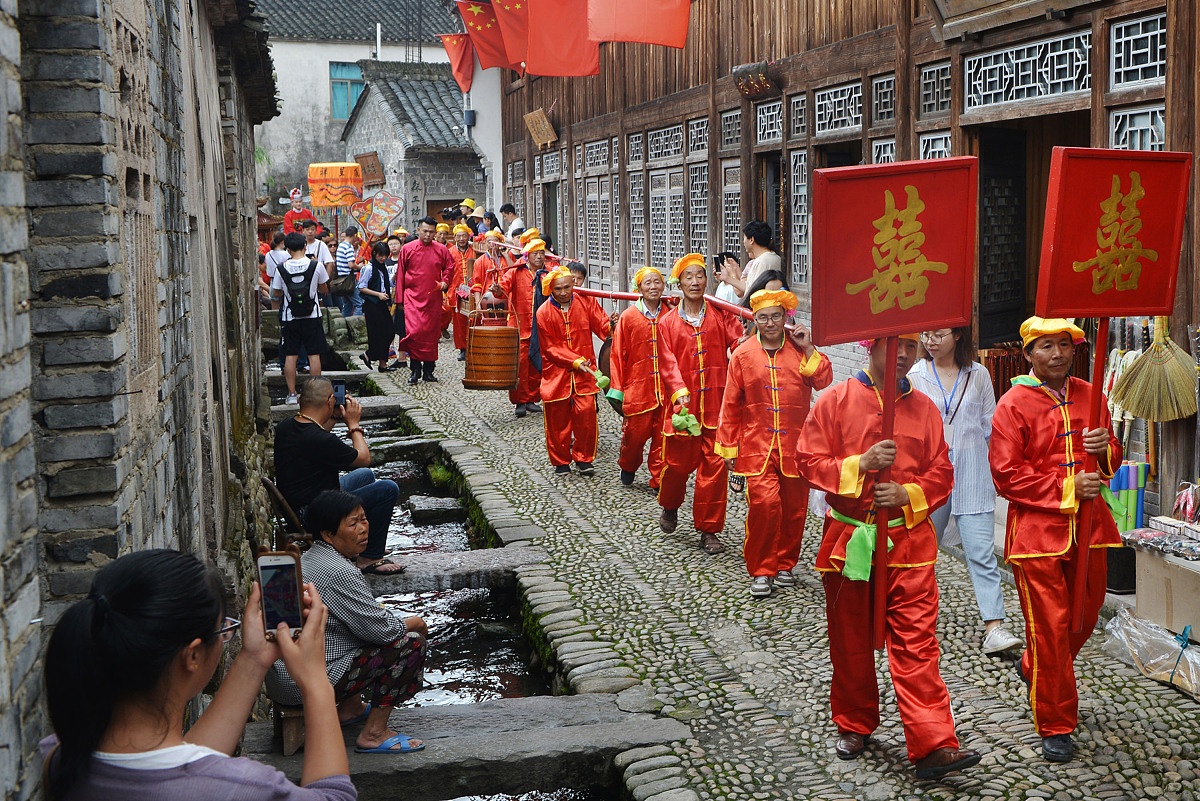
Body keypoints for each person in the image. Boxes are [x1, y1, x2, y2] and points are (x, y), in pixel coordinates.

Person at [795, 334, 982, 780]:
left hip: (909, 547)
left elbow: (942, 471)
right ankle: (854, 721)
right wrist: (858, 464)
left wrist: (906, 493)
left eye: (912, 346)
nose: (903, 354)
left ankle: (934, 744)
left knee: (918, 645)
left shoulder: (925, 409)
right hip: (851, 542)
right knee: (851, 640)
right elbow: (807, 459)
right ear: (870, 346)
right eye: (893, 344)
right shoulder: (836, 400)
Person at [41, 549, 354, 801]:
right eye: (223, 629)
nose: (226, 635)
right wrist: (316, 684)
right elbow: (334, 795)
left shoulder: (59, 757)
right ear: (192, 656)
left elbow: (180, 770)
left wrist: (254, 659)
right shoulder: (244, 787)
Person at [990, 317, 1121, 764]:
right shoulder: (1012, 403)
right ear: (1028, 354)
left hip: (1091, 531)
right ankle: (1057, 723)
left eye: (1064, 345)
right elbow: (1006, 475)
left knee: (1082, 619)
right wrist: (1067, 488)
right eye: (1045, 346)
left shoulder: (1091, 393)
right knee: (1048, 629)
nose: (1057, 354)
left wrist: (1104, 451)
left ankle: (1034, 667)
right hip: (1036, 537)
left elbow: (1113, 457)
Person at [267, 491, 429, 755]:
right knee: (410, 644)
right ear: (328, 534)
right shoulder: (339, 571)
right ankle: (374, 734)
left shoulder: (312, 557)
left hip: (283, 677)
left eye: (364, 519)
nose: (364, 528)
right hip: (300, 682)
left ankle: (351, 709)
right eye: (353, 524)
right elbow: (383, 631)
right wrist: (416, 623)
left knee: (347, 629)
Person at [909, 327, 1024, 656]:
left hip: (974, 474)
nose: (931, 340)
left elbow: (992, 428)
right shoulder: (916, 375)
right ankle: (915, 620)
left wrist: (1004, 474)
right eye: (926, 335)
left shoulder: (980, 375)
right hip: (930, 479)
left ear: (958, 336)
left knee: (982, 554)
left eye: (939, 334)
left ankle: (995, 628)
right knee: (921, 552)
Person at [716, 289, 831, 597]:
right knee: (765, 506)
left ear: (785, 318)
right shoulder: (742, 354)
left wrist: (809, 347)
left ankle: (784, 564)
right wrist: (728, 446)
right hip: (757, 446)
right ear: (755, 319)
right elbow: (730, 403)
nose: (769, 323)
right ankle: (762, 569)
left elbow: (823, 379)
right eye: (763, 317)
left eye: (776, 316)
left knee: (795, 510)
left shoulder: (798, 350)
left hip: (796, 445)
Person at [657, 254, 745, 554]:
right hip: (683, 410)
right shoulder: (667, 322)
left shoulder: (721, 315)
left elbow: (739, 343)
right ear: (679, 283)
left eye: (700, 276)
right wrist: (679, 391)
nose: (695, 282)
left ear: (707, 280)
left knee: (715, 470)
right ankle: (670, 505)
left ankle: (708, 530)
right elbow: (667, 364)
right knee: (677, 466)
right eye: (688, 277)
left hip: (717, 408)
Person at [274, 378, 403, 575]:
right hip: (312, 514)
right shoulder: (320, 439)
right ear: (330, 401)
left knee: (364, 476)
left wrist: (333, 417)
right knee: (387, 489)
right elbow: (363, 458)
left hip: (296, 505)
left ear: (301, 399)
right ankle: (369, 556)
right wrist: (353, 424)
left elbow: (318, 433)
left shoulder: (286, 426)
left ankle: (365, 542)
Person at [607, 266, 687, 489]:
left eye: (657, 282)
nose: (653, 287)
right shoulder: (628, 317)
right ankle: (628, 464)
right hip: (637, 389)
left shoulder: (671, 315)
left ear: (664, 285)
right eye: (648, 283)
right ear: (639, 288)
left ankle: (658, 479)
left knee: (663, 437)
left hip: (665, 389)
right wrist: (618, 388)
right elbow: (617, 354)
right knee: (635, 436)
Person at [536, 265, 616, 475]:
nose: (563, 293)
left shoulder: (586, 302)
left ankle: (584, 458)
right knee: (557, 419)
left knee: (587, 414)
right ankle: (560, 461)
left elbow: (602, 325)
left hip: (586, 372)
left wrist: (613, 327)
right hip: (556, 372)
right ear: (550, 290)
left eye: (567, 287)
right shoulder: (543, 312)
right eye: (558, 289)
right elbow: (550, 347)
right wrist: (575, 361)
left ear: (573, 285)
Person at [271, 232, 329, 404]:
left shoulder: (281, 268)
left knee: (291, 355)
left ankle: (292, 394)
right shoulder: (316, 265)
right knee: (313, 354)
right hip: (312, 315)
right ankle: (315, 395)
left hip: (290, 317)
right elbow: (324, 288)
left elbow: (276, 292)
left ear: (287, 249)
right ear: (305, 246)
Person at [396, 217, 454, 385]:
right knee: (414, 334)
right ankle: (415, 369)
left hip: (433, 298)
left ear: (435, 233)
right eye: (425, 231)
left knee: (431, 335)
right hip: (412, 298)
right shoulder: (407, 249)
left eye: (431, 232)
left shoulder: (441, 250)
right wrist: (399, 299)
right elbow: (400, 274)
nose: (428, 235)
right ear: (418, 230)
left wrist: (446, 281)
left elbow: (450, 267)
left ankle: (429, 370)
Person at [499, 238, 546, 417]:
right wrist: (497, 288)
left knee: (536, 363)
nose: (539, 257)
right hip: (519, 325)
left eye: (542, 253)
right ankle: (519, 400)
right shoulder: (516, 272)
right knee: (519, 365)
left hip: (540, 327)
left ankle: (532, 398)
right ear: (527, 256)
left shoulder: (546, 274)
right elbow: (503, 288)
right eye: (535, 253)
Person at [357, 242, 395, 373]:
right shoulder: (369, 268)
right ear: (374, 254)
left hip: (382, 303)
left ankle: (375, 358)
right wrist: (377, 294)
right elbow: (361, 287)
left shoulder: (383, 267)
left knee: (389, 332)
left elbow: (389, 282)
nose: (383, 258)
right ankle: (377, 360)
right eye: (380, 256)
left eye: (385, 255)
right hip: (372, 304)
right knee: (376, 333)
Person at [720, 221, 781, 298]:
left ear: (751, 240)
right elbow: (748, 287)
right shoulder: (773, 257)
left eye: (744, 238)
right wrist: (728, 277)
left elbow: (752, 291)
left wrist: (729, 276)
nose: (743, 242)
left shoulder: (762, 261)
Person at [447, 223, 475, 360]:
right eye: (459, 236)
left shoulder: (474, 250)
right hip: (456, 290)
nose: (462, 239)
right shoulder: (450, 252)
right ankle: (462, 348)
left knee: (474, 318)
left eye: (464, 236)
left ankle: (474, 346)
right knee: (459, 323)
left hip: (473, 289)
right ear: (455, 237)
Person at [470, 230, 512, 320]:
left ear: (500, 243)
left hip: (507, 298)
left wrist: (507, 256)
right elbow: (477, 285)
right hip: (488, 300)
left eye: (495, 241)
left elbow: (515, 272)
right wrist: (478, 304)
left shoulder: (507, 257)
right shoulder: (480, 261)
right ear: (485, 243)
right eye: (489, 241)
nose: (492, 244)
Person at [384, 234, 408, 370]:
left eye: (395, 244)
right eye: (390, 244)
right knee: (389, 324)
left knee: (402, 325)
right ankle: (390, 349)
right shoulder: (386, 262)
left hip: (403, 296)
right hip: (389, 296)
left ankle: (403, 355)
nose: (393, 246)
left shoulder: (405, 260)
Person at [300, 219, 335, 306]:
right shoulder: (300, 244)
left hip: (319, 280)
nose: (310, 232)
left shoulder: (321, 245)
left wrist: (325, 281)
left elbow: (330, 263)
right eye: (307, 229)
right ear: (303, 230)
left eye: (312, 229)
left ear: (316, 231)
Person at [335, 225, 362, 318]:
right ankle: (355, 325)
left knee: (348, 305)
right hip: (349, 280)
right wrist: (359, 266)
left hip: (342, 280)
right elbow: (351, 265)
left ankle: (345, 324)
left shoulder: (341, 246)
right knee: (360, 304)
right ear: (355, 235)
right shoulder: (348, 247)